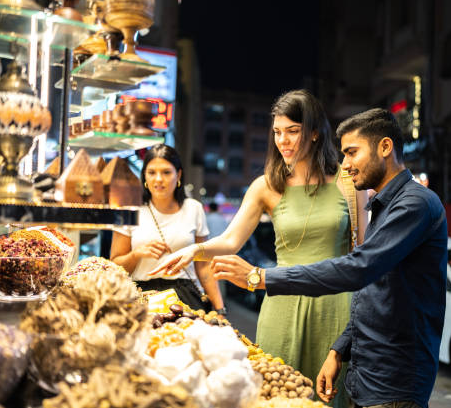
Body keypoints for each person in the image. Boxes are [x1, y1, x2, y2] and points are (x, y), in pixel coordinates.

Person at [207, 108, 448, 408]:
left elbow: (358, 269)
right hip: (366, 371)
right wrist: (339, 350)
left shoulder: (415, 204)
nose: (345, 165)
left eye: (352, 153)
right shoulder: (384, 205)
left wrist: (261, 277)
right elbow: (372, 289)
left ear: (385, 147)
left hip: (395, 381)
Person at [153, 89, 368, 408]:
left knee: (329, 398)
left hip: (335, 307)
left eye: (293, 131)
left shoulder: (348, 182)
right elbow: (231, 240)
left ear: (313, 133)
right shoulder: (267, 185)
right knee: (276, 392)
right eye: (278, 132)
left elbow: (364, 255)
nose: (283, 141)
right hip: (281, 304)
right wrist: (191, 251)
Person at [110, 144, 225, 314]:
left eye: (166, 172)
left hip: (184, 295)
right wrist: (136, 254)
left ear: (178, 174)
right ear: (144, 177)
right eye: (151, 172)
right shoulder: (130, 210)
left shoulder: (194, 209)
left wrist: (220, 309)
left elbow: (203, 266)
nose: (158, 179)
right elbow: (115, 266)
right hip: (141, 296)